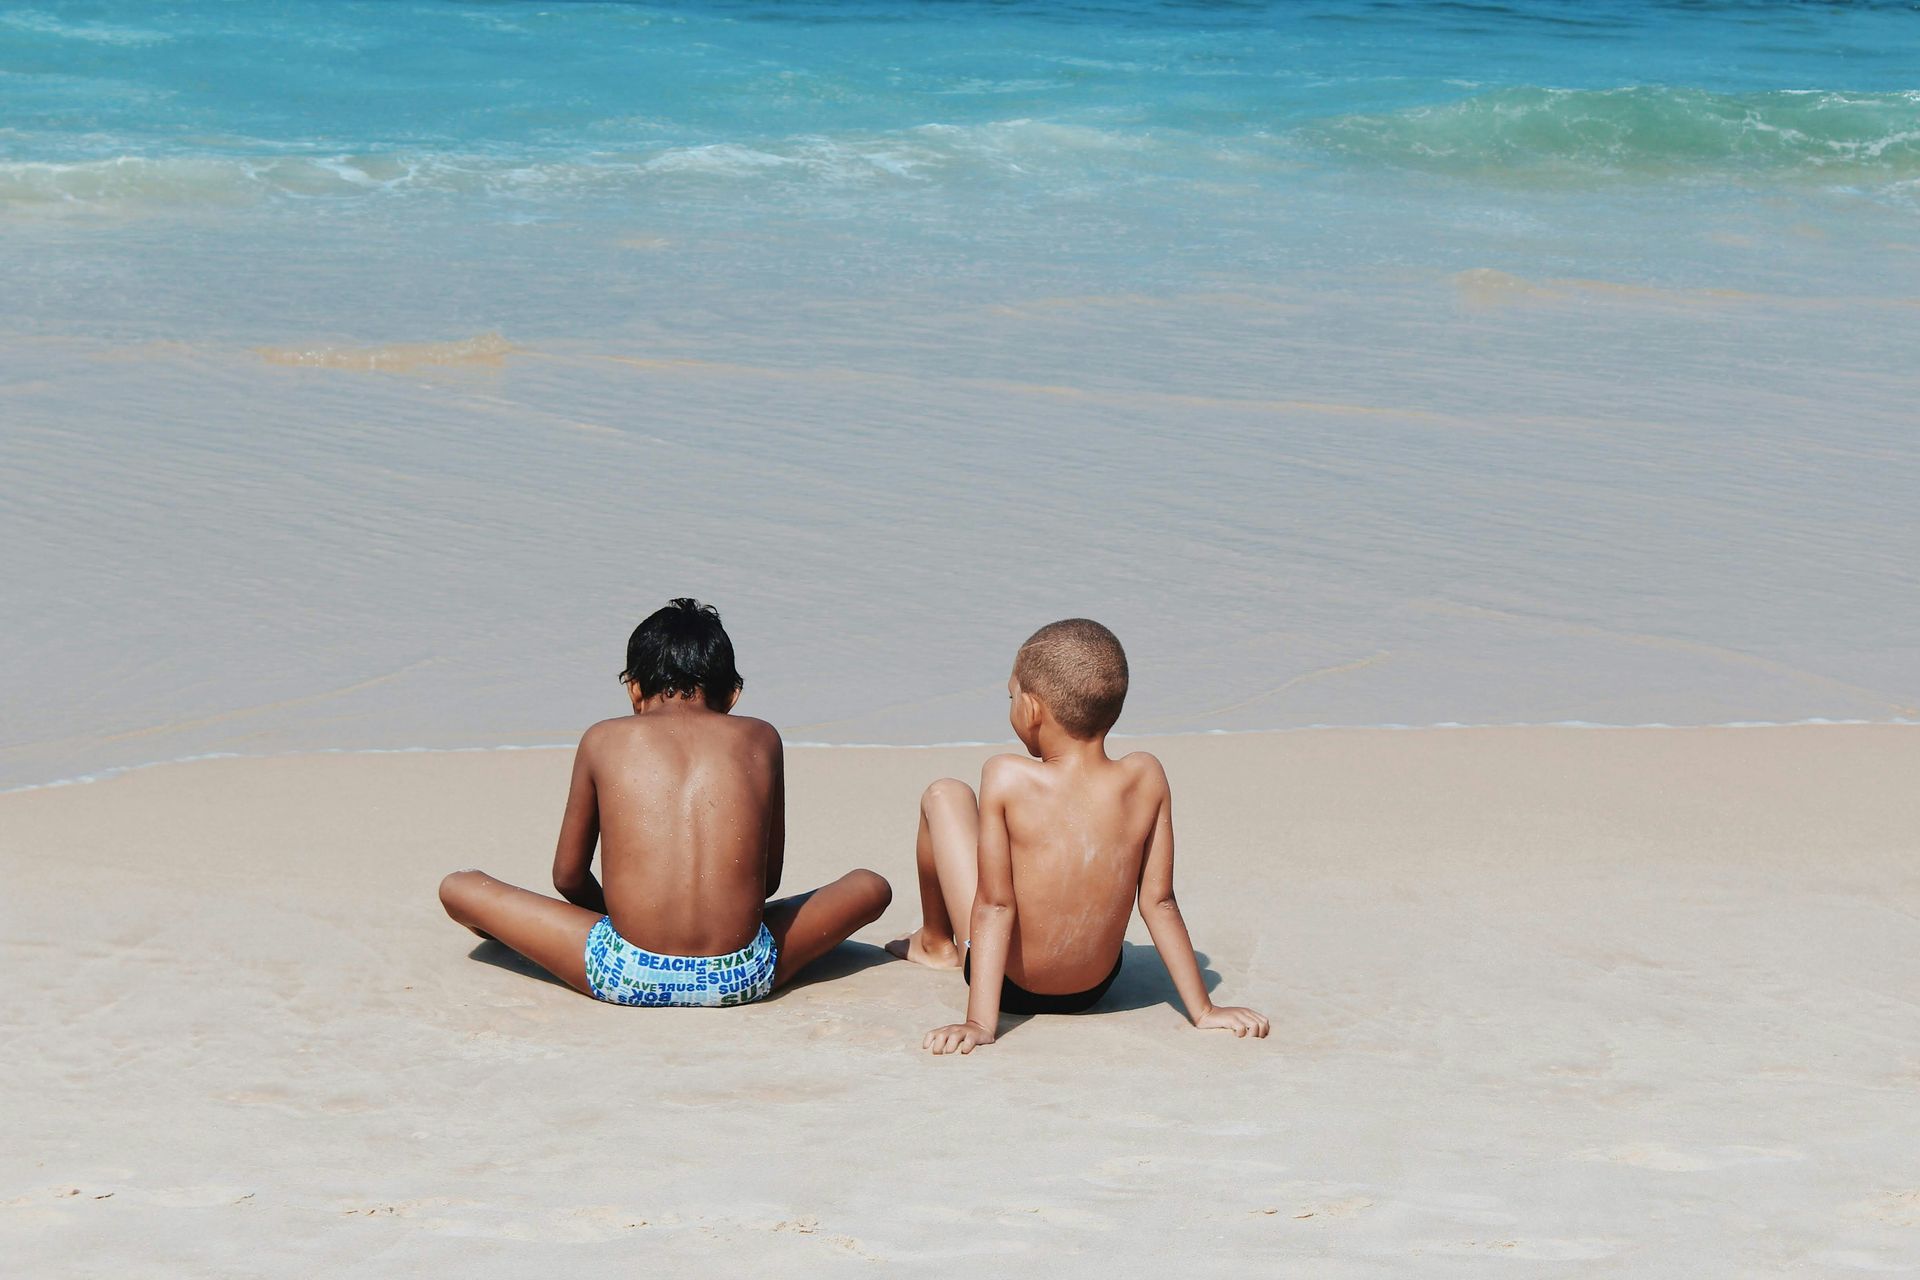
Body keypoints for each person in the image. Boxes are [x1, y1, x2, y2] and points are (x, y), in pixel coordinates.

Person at [439, 598, 891, 1006]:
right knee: (871, 885)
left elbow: (568, 876)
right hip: (744, 973)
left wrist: (634, 914)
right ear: (732, 695)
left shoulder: (603, 738)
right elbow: (768, 882)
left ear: (634, 689)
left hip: (623, 970)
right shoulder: (761, 737)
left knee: (460, 887)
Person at [887, 618, 1269, 1053]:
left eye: (1011, 697)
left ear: (1031, 710)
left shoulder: (1006, 775)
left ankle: (937, 944)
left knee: (945, 795)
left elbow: (995, 904)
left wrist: (979, 1022)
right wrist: (1204, 1010)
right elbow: (1158, 902)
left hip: (1011, 988)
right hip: (1095, 988)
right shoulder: (1145, 776)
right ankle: (938, 944)